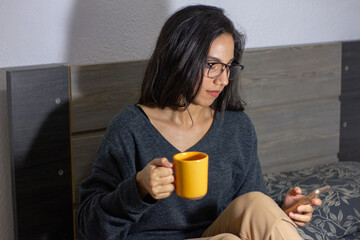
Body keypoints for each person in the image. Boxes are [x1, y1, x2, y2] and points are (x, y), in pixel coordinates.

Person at [77, 5, 322, 240]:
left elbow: (247, 208)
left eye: (228, 67)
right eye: (212, 65)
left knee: (258, 203)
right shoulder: (130, 128)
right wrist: (138, 189)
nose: (223, 80)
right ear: (179, 58)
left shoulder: (237, 128)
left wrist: (280, 213)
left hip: (217, 232)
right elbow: (91, 229)